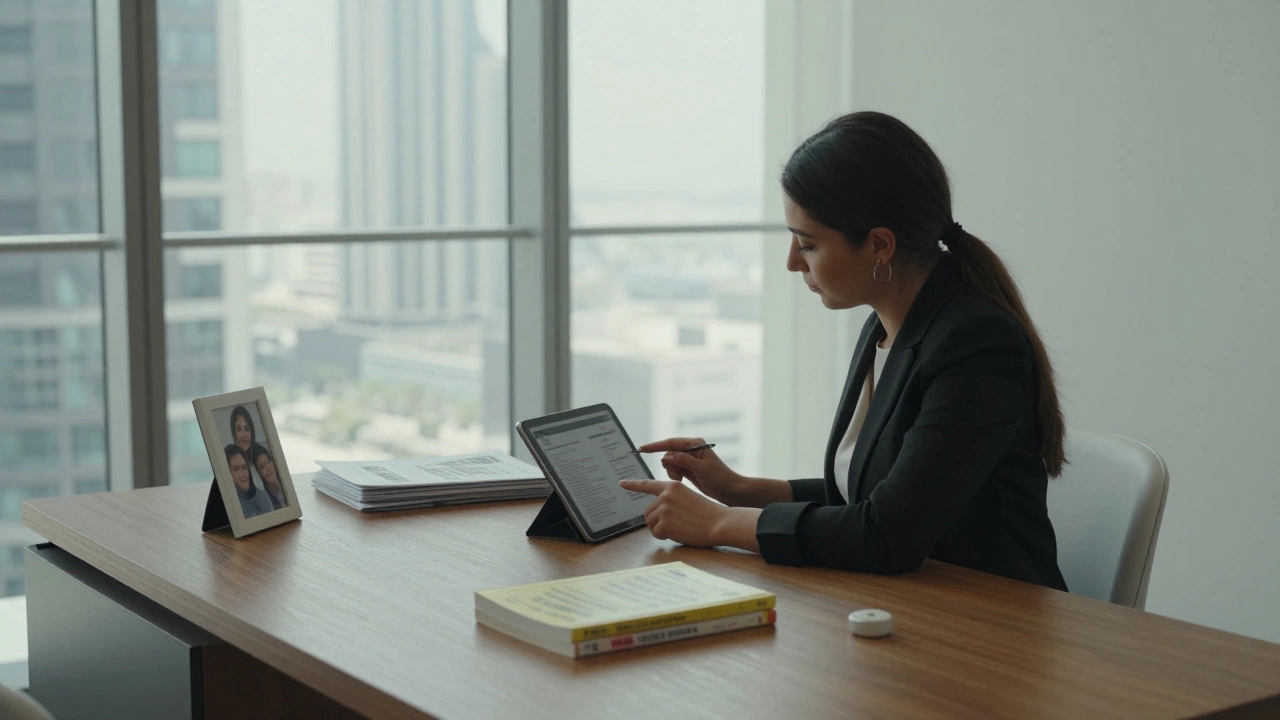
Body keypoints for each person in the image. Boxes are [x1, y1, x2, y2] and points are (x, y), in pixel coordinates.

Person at [621, 111, 1068, 591]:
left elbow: (886, 533)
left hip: (993, 616)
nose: (792, 263)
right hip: (912, 600)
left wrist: (718, 524)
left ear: (878, 245)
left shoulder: (976, 344)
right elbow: (870, 494)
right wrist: (739, 490)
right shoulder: (884, 327)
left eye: (807, 244)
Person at [225, 444, 274, 520]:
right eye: (236, 469)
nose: (243, 474)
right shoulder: (229, 504)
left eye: (244, 467)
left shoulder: (262, 496)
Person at [251, 443, 288, 510]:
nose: (268, 468)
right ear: (259, 473)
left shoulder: (287, 484)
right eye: (262, 466)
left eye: (269, 461)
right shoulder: (263, 499)